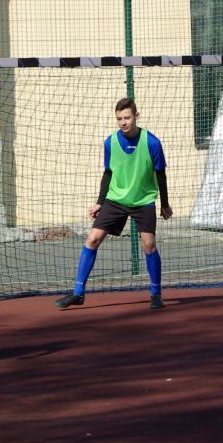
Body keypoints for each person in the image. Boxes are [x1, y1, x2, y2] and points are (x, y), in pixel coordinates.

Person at [56, 98, 172, 310]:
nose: (123, 122)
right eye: (119, 119)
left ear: (136, 116)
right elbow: (108, 173)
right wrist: (100, 202)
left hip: (143, 200)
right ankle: (78, 292)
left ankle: (156, 294)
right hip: (115, 200)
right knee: (92, 239)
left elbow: (160, 174)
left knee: (149, 245)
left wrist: (164, 204)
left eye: (127, 117)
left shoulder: (152, 142)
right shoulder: (110, 142)